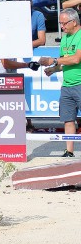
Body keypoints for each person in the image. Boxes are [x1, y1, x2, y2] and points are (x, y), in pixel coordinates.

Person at [39, 8, 81, 158]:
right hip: (67, 85)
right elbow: (64, 63)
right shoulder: (65, 39)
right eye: (60, 24)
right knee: (68, 119)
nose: (61, 27)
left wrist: (54, 60)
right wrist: (53, 69)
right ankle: (69, 151)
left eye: (63, 24)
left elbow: (76, 59)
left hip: (80, 83)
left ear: (74, 22)